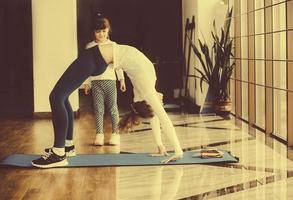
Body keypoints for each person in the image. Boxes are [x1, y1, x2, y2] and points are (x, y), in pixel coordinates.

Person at [31, 26, 183, 170]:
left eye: (158, 104)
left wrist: (178, 150)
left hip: (96, 58)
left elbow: (161, 118)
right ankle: (67, 147)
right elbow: (154, 117)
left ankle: (58, 153)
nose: (161, 103)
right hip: (98, 58)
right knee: (61, 97)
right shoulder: (143, 90)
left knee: (56, 97)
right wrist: (160, 146)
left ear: (149, 103)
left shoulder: (146, 90)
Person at [84, 14, 126, 146]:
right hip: (96, 82)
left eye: (104, 31)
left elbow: (118, 63)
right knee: (98, 110)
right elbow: (86, 67)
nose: (101, 34)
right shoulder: (90, 46)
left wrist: (122, 79)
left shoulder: (113, 45)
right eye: (98, 31)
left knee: (113, 108)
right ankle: (99, 135)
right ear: (93, 32)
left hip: (111, 81)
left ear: (108, 30)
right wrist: (86, 82)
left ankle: (115, 134)